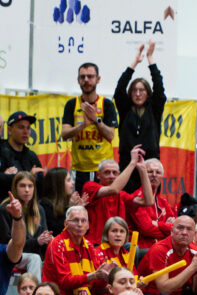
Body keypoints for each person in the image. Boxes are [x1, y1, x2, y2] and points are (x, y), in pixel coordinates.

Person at [42, 205, 112, 295]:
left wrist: (105, 277)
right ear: (66, 223)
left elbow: (95, 286)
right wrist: (92, 276)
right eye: (75, 220)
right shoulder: (57, 244)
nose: (80, 224)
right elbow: (65, 282)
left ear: (88, 225)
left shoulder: (89, 246)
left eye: (83, 220)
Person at [115, 43, 167, 192]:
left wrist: (150, 59)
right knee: (126, 200)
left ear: (148, 93)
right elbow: (119, 89)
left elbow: (159, 87)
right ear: (130, 93)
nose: (138, 94)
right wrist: (134, 63)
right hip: (127, 164)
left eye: (142, 90)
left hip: (150, 165)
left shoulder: (154, 109)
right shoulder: (125, 109)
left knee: (150, 202)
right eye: (134, 90)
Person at [61, 62, 119, 191]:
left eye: (90, 76)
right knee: (78, 202)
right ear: (78, 80)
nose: (86, 80)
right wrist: (82, 126)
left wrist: (96, 119)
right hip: (79, 170)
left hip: (103, 170)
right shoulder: (72, 104)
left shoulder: (107, 104)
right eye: (83, 77)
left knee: (103, 203)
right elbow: (64, 134)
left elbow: (110, 135)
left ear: (98, 79)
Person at [83, 146, 151, 243]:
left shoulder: (122, 195)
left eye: (114, 173)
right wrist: (132, 163)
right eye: (107, 172)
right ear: (98, 175)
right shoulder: (90, 186)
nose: (111, 176)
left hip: (118, 243)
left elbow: (148, 201)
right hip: (97, 243)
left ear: (119, 175)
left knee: (139, 250)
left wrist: (143, 170)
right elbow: (114, 189)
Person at [0, 172, 52, 263]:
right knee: (35, 258)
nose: (27, 190)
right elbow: (6, 243)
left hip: (36, 254)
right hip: (12, 256)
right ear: (15, 188)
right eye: (22, 186)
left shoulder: (39, 209)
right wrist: (36, 242)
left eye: (30, 186)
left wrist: (48, 238)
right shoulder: (6, 209)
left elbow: (43, 237)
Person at [128, 158, 177, 249]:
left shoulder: (163, 202)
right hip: (141, 250)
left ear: (162, 177)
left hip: (161, 249)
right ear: (142, 175)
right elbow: (147, 229)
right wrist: (166, 227)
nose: (154, 175)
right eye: (150, 172)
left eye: (158, 172)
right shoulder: (137, 199)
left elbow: (175, 228)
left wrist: (157, 224)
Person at [39, 167, 82, 238]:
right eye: (68, 180)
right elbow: (56, 231)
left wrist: (80, 209)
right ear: (59, 184)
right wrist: (70, 209)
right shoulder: (45, 205)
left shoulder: (67, 201)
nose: (73, 182)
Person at [4, 111, 43, 177]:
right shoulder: (0, 153)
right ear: (9, 130)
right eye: (21, 127)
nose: (25, 132)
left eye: (28, 128)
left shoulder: (31, 156)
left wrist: (33, 179)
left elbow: (41, 181)